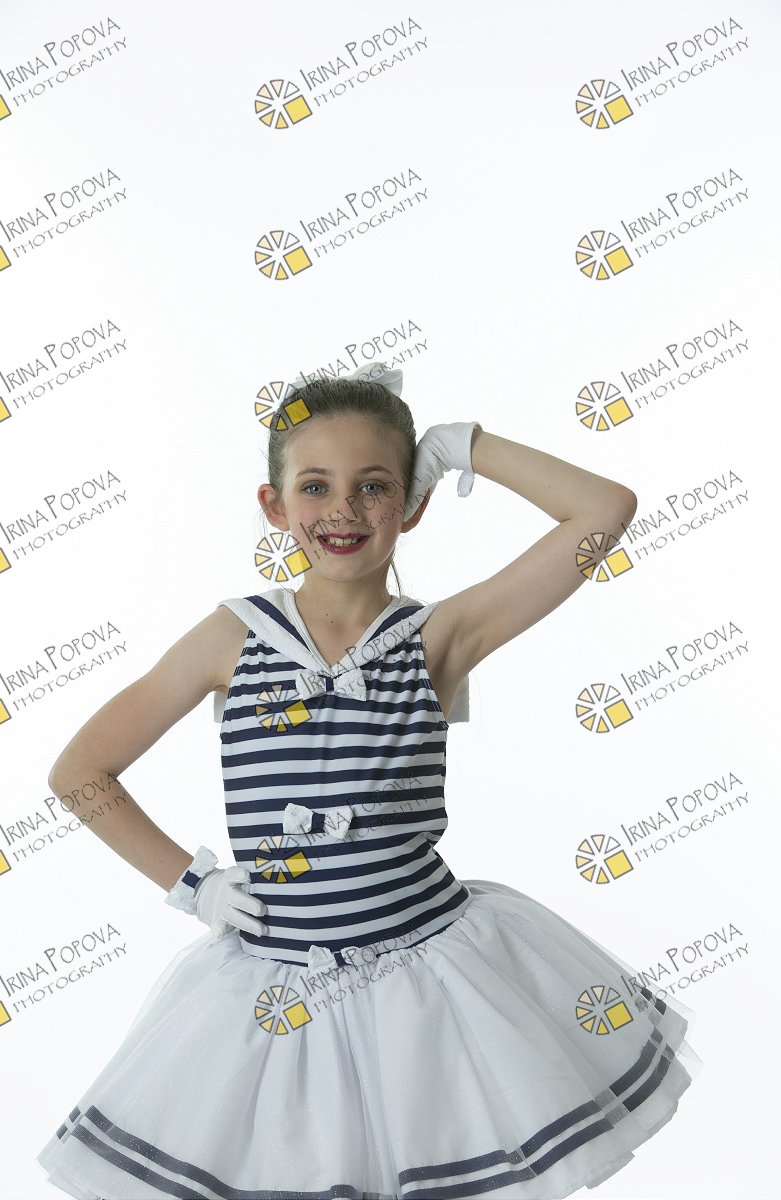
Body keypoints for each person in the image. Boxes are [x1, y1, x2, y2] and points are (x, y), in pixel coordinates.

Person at [36, 362, 702, 1199]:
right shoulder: (232, 638)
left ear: (411, 504)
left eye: (375, 486)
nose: (343, 510)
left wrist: (464, 447)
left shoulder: (439, 638)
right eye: (315, 486)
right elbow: (80, 772)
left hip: (429, 988)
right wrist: (193, 886)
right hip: (279, 991)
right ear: (275, 506)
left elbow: (605, 511)